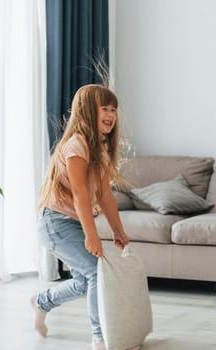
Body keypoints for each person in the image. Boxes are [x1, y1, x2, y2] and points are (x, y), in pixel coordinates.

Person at [30, 84, 138, 350]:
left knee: (85, 280)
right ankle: (101, 339)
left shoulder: (99, 149)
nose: (111, 114)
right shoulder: (76, 145)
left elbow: (104, 196)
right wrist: (91, 235)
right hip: (54, 222)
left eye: (113, 109)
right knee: (96, 272)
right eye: (104, 108)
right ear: (88, 111)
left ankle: (42, 302)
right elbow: (79, 193)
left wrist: (117, 230)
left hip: (70, 222)